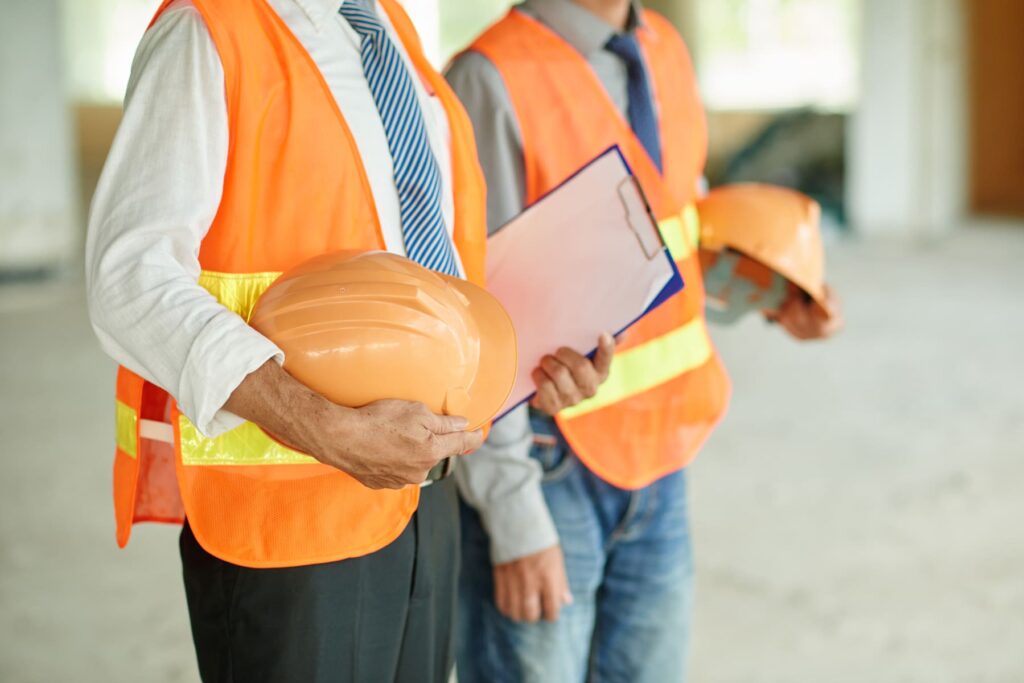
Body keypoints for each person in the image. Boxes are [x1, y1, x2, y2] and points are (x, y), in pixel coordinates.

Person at [85, 1, 601, 681]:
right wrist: (324, 425)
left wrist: (527, 357)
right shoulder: (209, 32)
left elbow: (424, 261)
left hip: (425, 495)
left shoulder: (384, 25)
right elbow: (128, 276)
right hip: (292, 523)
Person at [447, 1, 842, 681]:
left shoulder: (664, 49)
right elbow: (476, 316)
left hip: (662, 456)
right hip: (550, 467)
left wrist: (769, 292)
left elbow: (668, 241)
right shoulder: (491, 76)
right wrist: (514, 518)